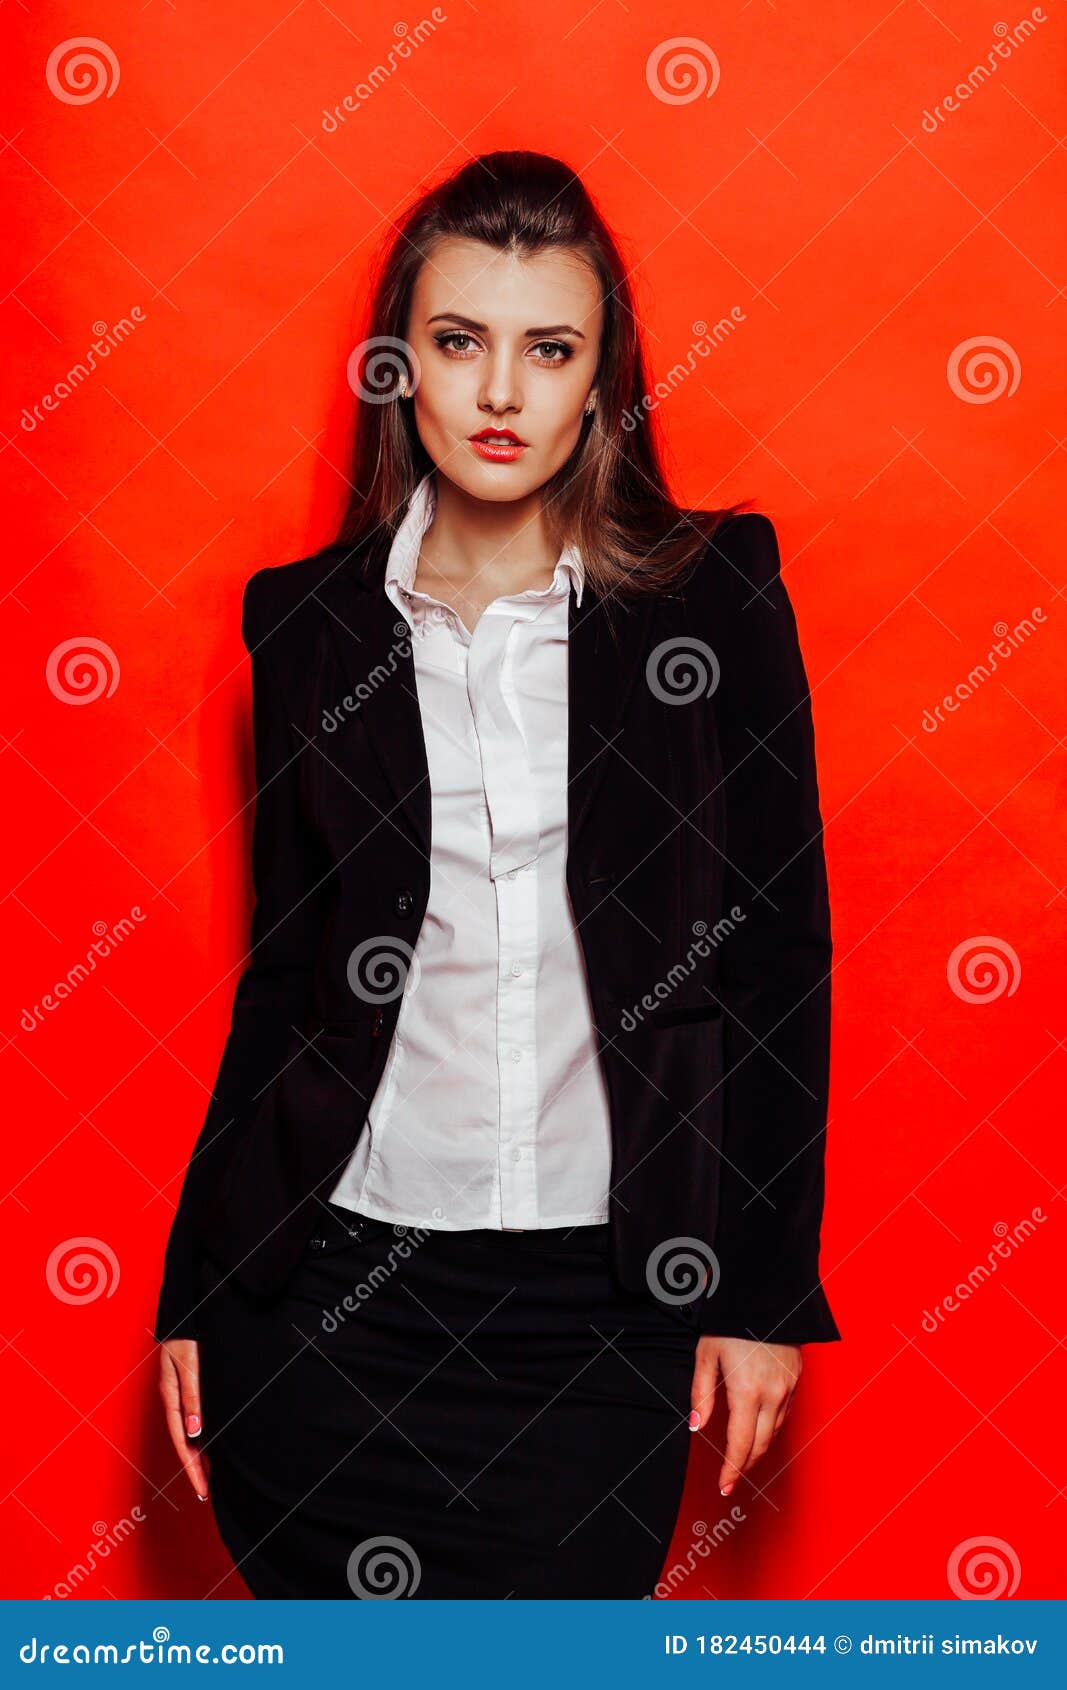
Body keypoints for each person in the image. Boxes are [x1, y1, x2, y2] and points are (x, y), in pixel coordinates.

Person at [155, 149, 840, 1600]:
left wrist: (765, 1290)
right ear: (402, 367)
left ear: (602, 378)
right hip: (326, 1297)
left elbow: (782, 953)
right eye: (460, 343)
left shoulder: (714, 599)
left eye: (550, 349)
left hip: (601, 1305)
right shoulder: (309, 628)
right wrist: (194, 1292)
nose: (501, 394)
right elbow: (285, 970)